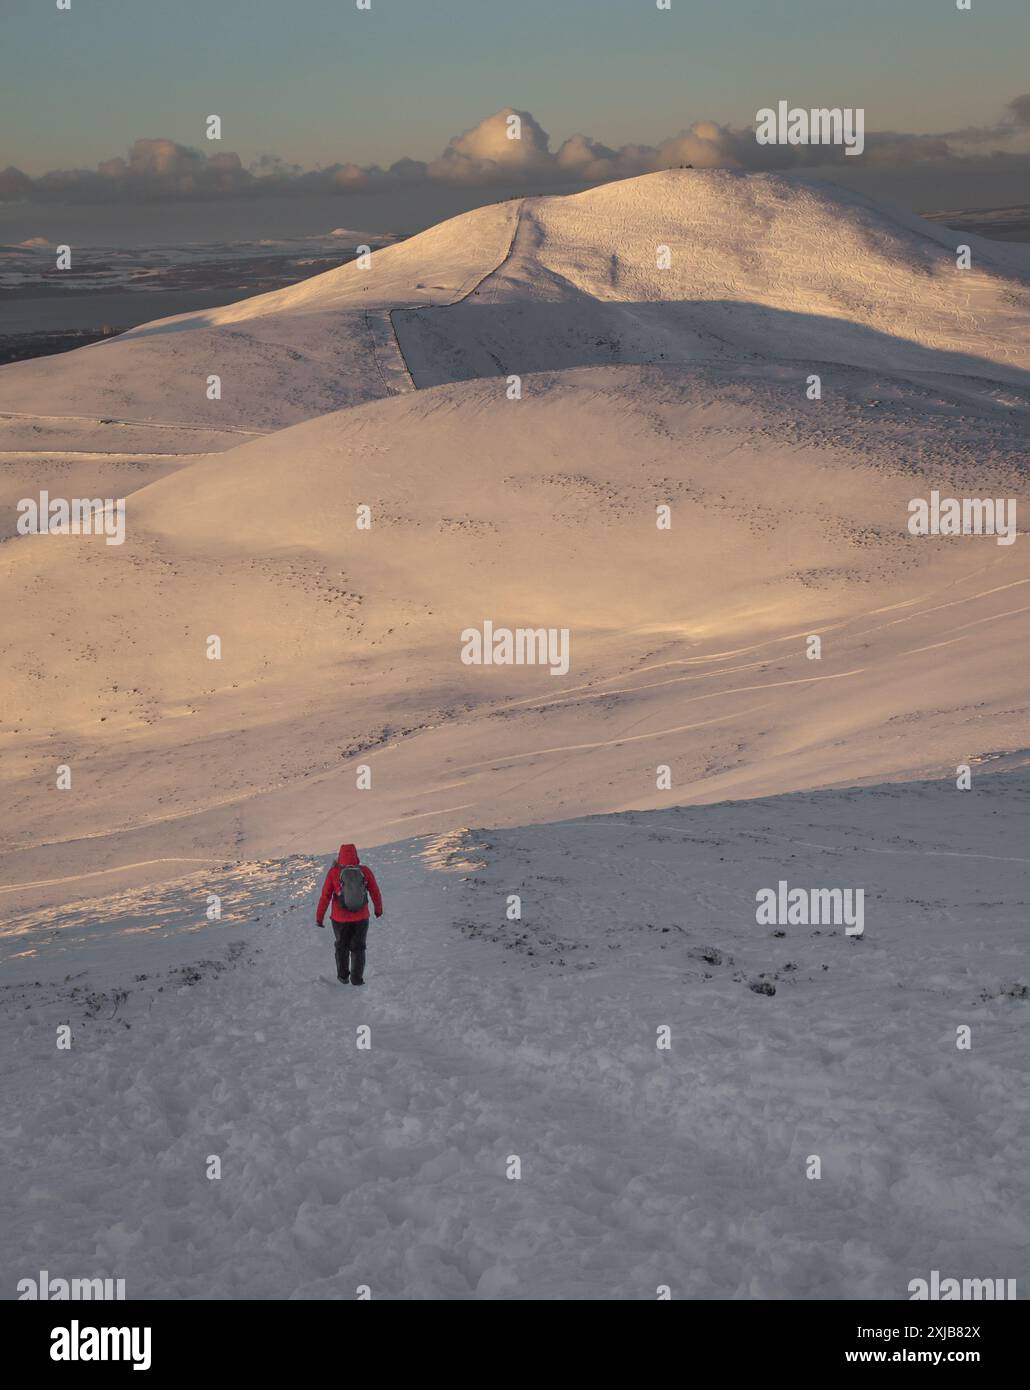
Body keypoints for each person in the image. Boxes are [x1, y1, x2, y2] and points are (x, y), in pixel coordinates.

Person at [316, 844, 383, 985]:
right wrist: (378, 909)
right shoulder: (365, 871)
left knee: (342, 947)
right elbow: (374, 891)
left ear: (339, 856)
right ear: (355, 855)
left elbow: (325, 896)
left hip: (339, 919)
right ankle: (357, 979)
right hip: (361, 917)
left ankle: (343, 977)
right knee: (359, 948)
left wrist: (319, 917)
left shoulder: (333, 872)